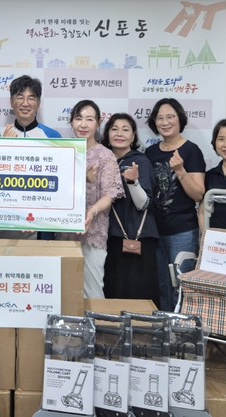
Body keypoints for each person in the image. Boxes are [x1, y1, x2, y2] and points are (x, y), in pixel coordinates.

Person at [144, 98, 205, 311]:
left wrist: (180, 171)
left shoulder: (191, 151)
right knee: (161, 284)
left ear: (180, 119)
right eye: (160, 118)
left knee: (182, 284)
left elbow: (198, 194)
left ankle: (184, 327)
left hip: (182, 230)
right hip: (154, 230)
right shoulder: (150, 153)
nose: (165, 122)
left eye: (170, 117)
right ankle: (165, 326)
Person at [59, 100, 124, 298]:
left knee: (92, 290)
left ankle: (94, 320)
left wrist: (93, 211)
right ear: (71, 121)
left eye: (89, 119)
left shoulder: (105, 156)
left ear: (98, 123)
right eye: (78, 118)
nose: (83, 124)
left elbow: (109, 195)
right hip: (63, 233)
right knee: (64, 291)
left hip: (93, 233)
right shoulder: (62, 151)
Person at [101, 113, 159, 307]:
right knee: (113, 293)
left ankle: (142, 327)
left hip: (137, 237)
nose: (119, 134)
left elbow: (143, 204)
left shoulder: (140, 161)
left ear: (133, 137)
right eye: (114, 129)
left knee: (138, 295)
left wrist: (133, 182)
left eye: (125, 130)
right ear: (107, 134)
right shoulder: (103, 160)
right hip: (110, 237)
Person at [3, 75, 62, 240]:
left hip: (42, 222)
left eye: (31, 98)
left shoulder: (53, 136)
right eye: (20, 97)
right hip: (7, 219)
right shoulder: (0, 135)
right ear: (11, 102)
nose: (25, 103)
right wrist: (3, 146)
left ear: (38, 103)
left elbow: (59, 180)